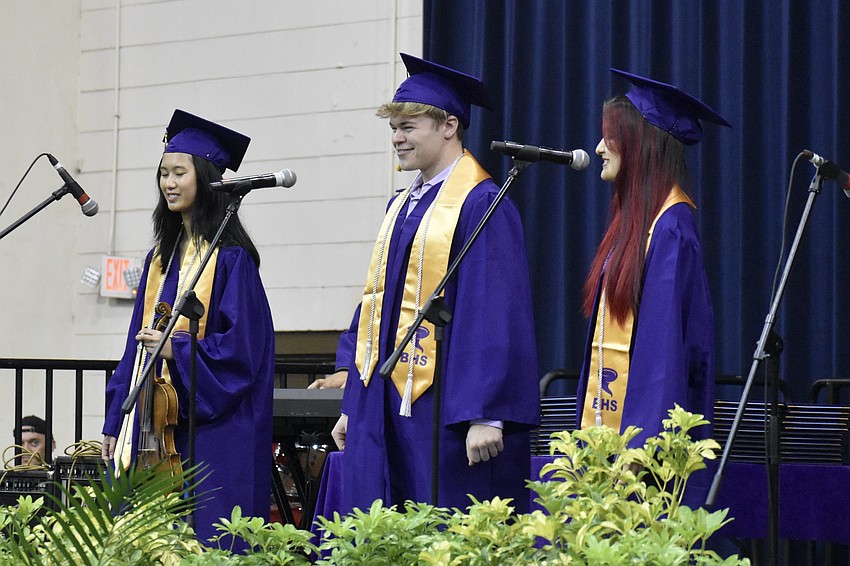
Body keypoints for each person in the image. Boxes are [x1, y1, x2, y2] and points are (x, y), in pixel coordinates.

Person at [329, 53, 540, 515]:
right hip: (385, 404)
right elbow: (374, 305)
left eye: (408, 127)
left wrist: (487, 412)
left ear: (449, 125)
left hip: (445, 411)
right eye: (393, 129)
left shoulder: (483, 200)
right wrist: (354, 400)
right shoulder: (400, 207)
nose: (397, 139)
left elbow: (496, 310)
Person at [101, 109, 275, 546]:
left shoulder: (232, 260)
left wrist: (175, 350)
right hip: (154, 429)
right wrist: (113, 421)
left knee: (210, 539)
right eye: (163, 173)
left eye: (180, 172)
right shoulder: (161, 258)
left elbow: (242, 351)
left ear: (207, 178)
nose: (169, 183)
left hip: (217, 429)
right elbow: (134, 347)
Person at [576, 69, 730, 450]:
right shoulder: (636, 225)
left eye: (610, 137)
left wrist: (641, 448)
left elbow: (663, 357)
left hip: (644, 453)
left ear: (640, 143)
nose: (598, 147)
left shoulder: (671, 229)